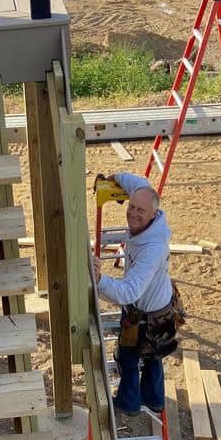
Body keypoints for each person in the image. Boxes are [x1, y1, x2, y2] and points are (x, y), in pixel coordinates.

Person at [92, 172, 183, 416]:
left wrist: (99, 279)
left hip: (146, 315)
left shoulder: (152, 250)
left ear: (153, 213)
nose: (132, 212)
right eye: (131, 206)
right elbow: (138, 184)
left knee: (130, 358)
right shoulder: (152, 212)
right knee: (155, 357)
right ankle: (155, 400)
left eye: (140, 211)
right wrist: (115, 177)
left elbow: (129, 292)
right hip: (160, 306)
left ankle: (129, 403)